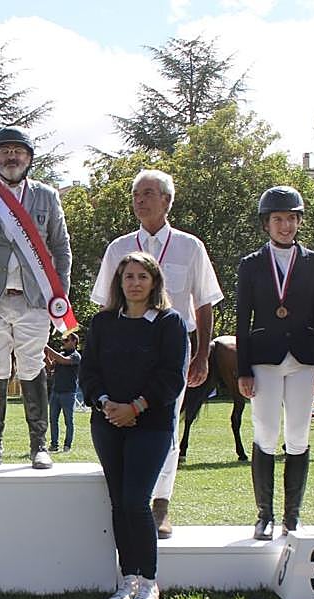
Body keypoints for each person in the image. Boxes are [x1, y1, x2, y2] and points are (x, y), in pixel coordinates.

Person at [90, 169, 222, 537]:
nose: (140, 200)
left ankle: (161, 503)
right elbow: (104, 306)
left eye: (148, 193)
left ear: (167, 200)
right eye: (136, 194)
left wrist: (202, 355)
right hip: (122, 351)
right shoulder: (118, 248)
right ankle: (130, 502)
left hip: (171, 351)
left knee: (166, 425)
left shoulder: (190, 246)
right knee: (122, 420)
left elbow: (204, 302)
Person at [0, 126, 77, 470]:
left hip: (35, 298)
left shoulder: (47, 196)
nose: (11, 157)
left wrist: (60, 295)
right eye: (4, 151)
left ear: (28, 158)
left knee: (32, 366)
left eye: (18, 151)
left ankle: (39, 445)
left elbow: (61, 248)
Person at [80, 252, 188, 599]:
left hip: (151, 425)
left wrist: (136, 407)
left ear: (154, 281)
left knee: (136, 501)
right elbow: (89, 373)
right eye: (129, 276)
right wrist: (106, 403)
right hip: (108, 422)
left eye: (143, 276)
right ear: (119, 282)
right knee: (118, 503)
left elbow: (171, 377)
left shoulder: (170, 323)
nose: (135, 283)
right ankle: (128, 578)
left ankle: (149, 581)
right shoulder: (103, 323)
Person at [236, 186, 314, 540]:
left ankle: (293, 516)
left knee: (298, 434)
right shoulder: (251, 264)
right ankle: (265, 515)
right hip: (264, 358)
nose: (285, 225)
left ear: (299, 221)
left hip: (304, 359)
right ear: (266, 223)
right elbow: (242, 319)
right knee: (265, 431)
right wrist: (243, 369)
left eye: (291, 218)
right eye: (278, 219)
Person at [44, 332, 81, 453]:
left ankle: (67, 445)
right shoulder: (61, 354)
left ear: (74, 342)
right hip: (56, 392)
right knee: (53, 420)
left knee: (68, 421)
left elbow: (64, 361)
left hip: (68, 393)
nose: (63, 342)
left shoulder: (76, 356)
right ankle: (54, 445)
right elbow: (50, 367)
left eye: (66, 340)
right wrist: (45, 355)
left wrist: (47, 347)